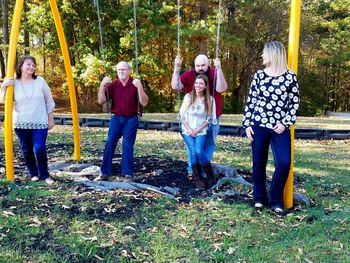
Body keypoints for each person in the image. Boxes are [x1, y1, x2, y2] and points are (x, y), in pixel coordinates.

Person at [242, 41, 300, 214]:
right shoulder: (259, 75)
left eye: (264, 53)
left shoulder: (290, 76)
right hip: (258, 125)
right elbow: (251, 101)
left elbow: (295, 104)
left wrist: (285, 123)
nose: (262, 55)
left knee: (284, 163)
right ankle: (259, 198)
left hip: (280, 128)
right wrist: (247, 124)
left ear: (274, 54)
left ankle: (275, 200)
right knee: (259, 163)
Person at [0, 55, 55, 185]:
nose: (31, 67)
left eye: (33, 65)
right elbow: (2, 101)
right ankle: (33, 173)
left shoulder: (40, 81)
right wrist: (4, 86)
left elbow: (49, 100)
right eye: (28, 64)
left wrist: (50, 118)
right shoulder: (13, 83)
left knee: (39, 148)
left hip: (40, 122)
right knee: (27, 149)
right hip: (21, 122)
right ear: (21, 66)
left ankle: (45, 175)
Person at [171, 54, 228, 176]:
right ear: (194, 66)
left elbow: (221, 89)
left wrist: (219, 68)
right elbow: (176, 86)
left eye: (203, 65)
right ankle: (193, 169)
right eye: (198, 65)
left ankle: (202, 167)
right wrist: (176, 67)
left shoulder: (214, 72)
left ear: (208, 64)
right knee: (193, 145)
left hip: (211, 116)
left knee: (209, 142)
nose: (200, 68)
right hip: (192, 119)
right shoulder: (189, 74)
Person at [94, 61, 148, 181]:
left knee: (127, 144)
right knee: (110, 142)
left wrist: (139, 86)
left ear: (129, 71)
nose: (121, 72)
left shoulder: (135, 83)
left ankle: (127, 174)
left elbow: (144, 102)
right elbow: (101, 101)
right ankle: (104, 173)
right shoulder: (113, 84)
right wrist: (102, 85)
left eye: (123, 70)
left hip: (131, 118)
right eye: (119, 70)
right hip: (116, 118)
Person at [179, 74, 217, 189]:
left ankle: (211, 177)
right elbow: (181, 114)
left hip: (201, 130)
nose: (198, 85)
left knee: (199, 151)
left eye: (201, 83)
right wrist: (190, 129)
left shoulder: (210, 99)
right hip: (187, 130)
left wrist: (198, 129)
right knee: (193, 152)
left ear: (205, 86)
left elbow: (210, 118)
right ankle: (198, 179)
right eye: (196, 83)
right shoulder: (188, 97)